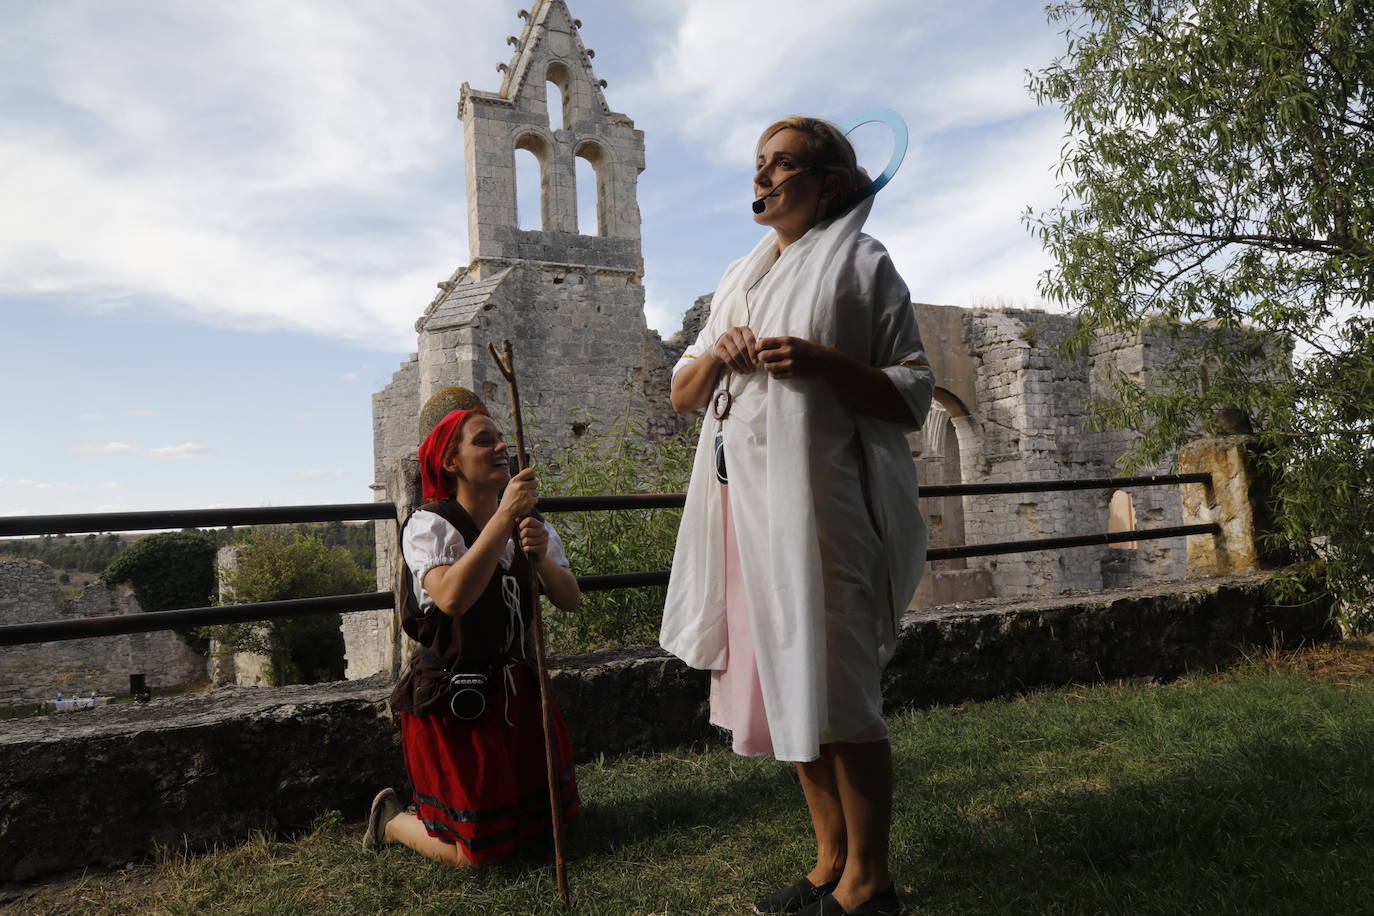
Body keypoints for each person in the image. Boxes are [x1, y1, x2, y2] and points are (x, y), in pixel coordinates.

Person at [662, 116, 934, 916]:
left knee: (840, 691)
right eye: (758, 165)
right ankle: (829, 860)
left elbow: (913, 391)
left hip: (822, 515)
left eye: (781, 166)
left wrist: (822, 363)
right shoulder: (739, 277)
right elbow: (683, 394)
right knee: (780, 683)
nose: (762, 179)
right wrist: (718, 352)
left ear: (829, 185)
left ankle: (870, 881)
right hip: (742, 517)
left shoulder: (863, 265)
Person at [363, 398, 582, 867]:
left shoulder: (530, 524)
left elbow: (569, 599)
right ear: (450, 461)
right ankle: (394, 822)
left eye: (501, 438)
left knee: (552, 828)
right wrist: (504, 518)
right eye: (484, 440)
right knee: (479, 855)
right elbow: (453, 598)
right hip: (455, 702)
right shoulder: (432, 525)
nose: (501, 447)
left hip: (517, 696)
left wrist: (540, 557)